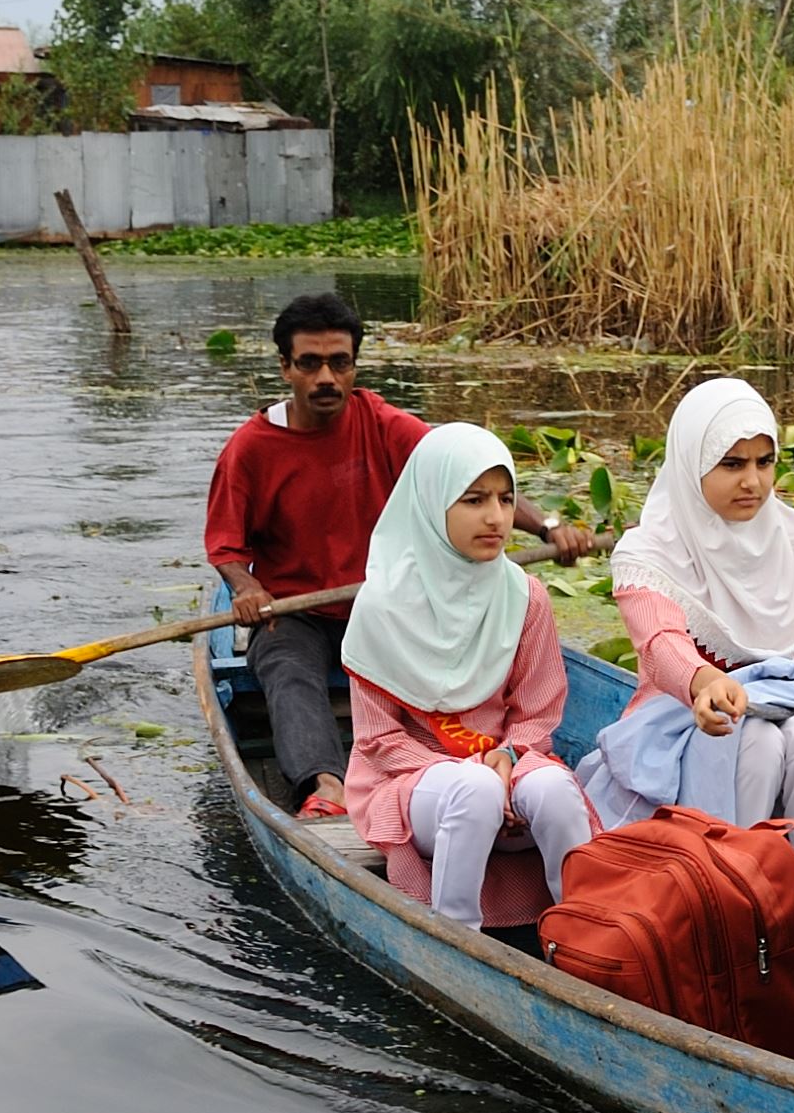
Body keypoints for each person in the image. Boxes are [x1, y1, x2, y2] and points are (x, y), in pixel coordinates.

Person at [205, 294, 591, 818]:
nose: (326, 379)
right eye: (310, 364)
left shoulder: (378, 420)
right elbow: (227, 545)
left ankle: (457, 764)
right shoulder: (250, 448)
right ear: (285, 368)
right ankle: (326, 785)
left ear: (354, 367)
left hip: (390, 602)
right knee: (288, 670)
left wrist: (548, 525)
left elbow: (469, 476)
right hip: (299, 612)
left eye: (339, 364)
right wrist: (246, 587)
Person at [595, 373, 794, 903]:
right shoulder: (650, 551)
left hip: (788, 712)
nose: (753, 482)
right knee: (749, 738)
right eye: (732, 465)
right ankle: (735, 914)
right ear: (693, 464)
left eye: (764, 462)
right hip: (681, 720)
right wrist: (705, 681)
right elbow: (659, 644)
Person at [342, 423, 599, 925]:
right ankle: (458, 936)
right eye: (474, 500)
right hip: (409, 779)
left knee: (554, 792)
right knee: (473, 793)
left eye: (505, 500)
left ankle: (586, 930)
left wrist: (505, 757)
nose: (495, 517)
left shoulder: (524, 597)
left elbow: (537, 714)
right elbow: (379, 740)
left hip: (505, 762)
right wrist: (475, 773)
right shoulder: (381, 604)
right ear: (434, 503)